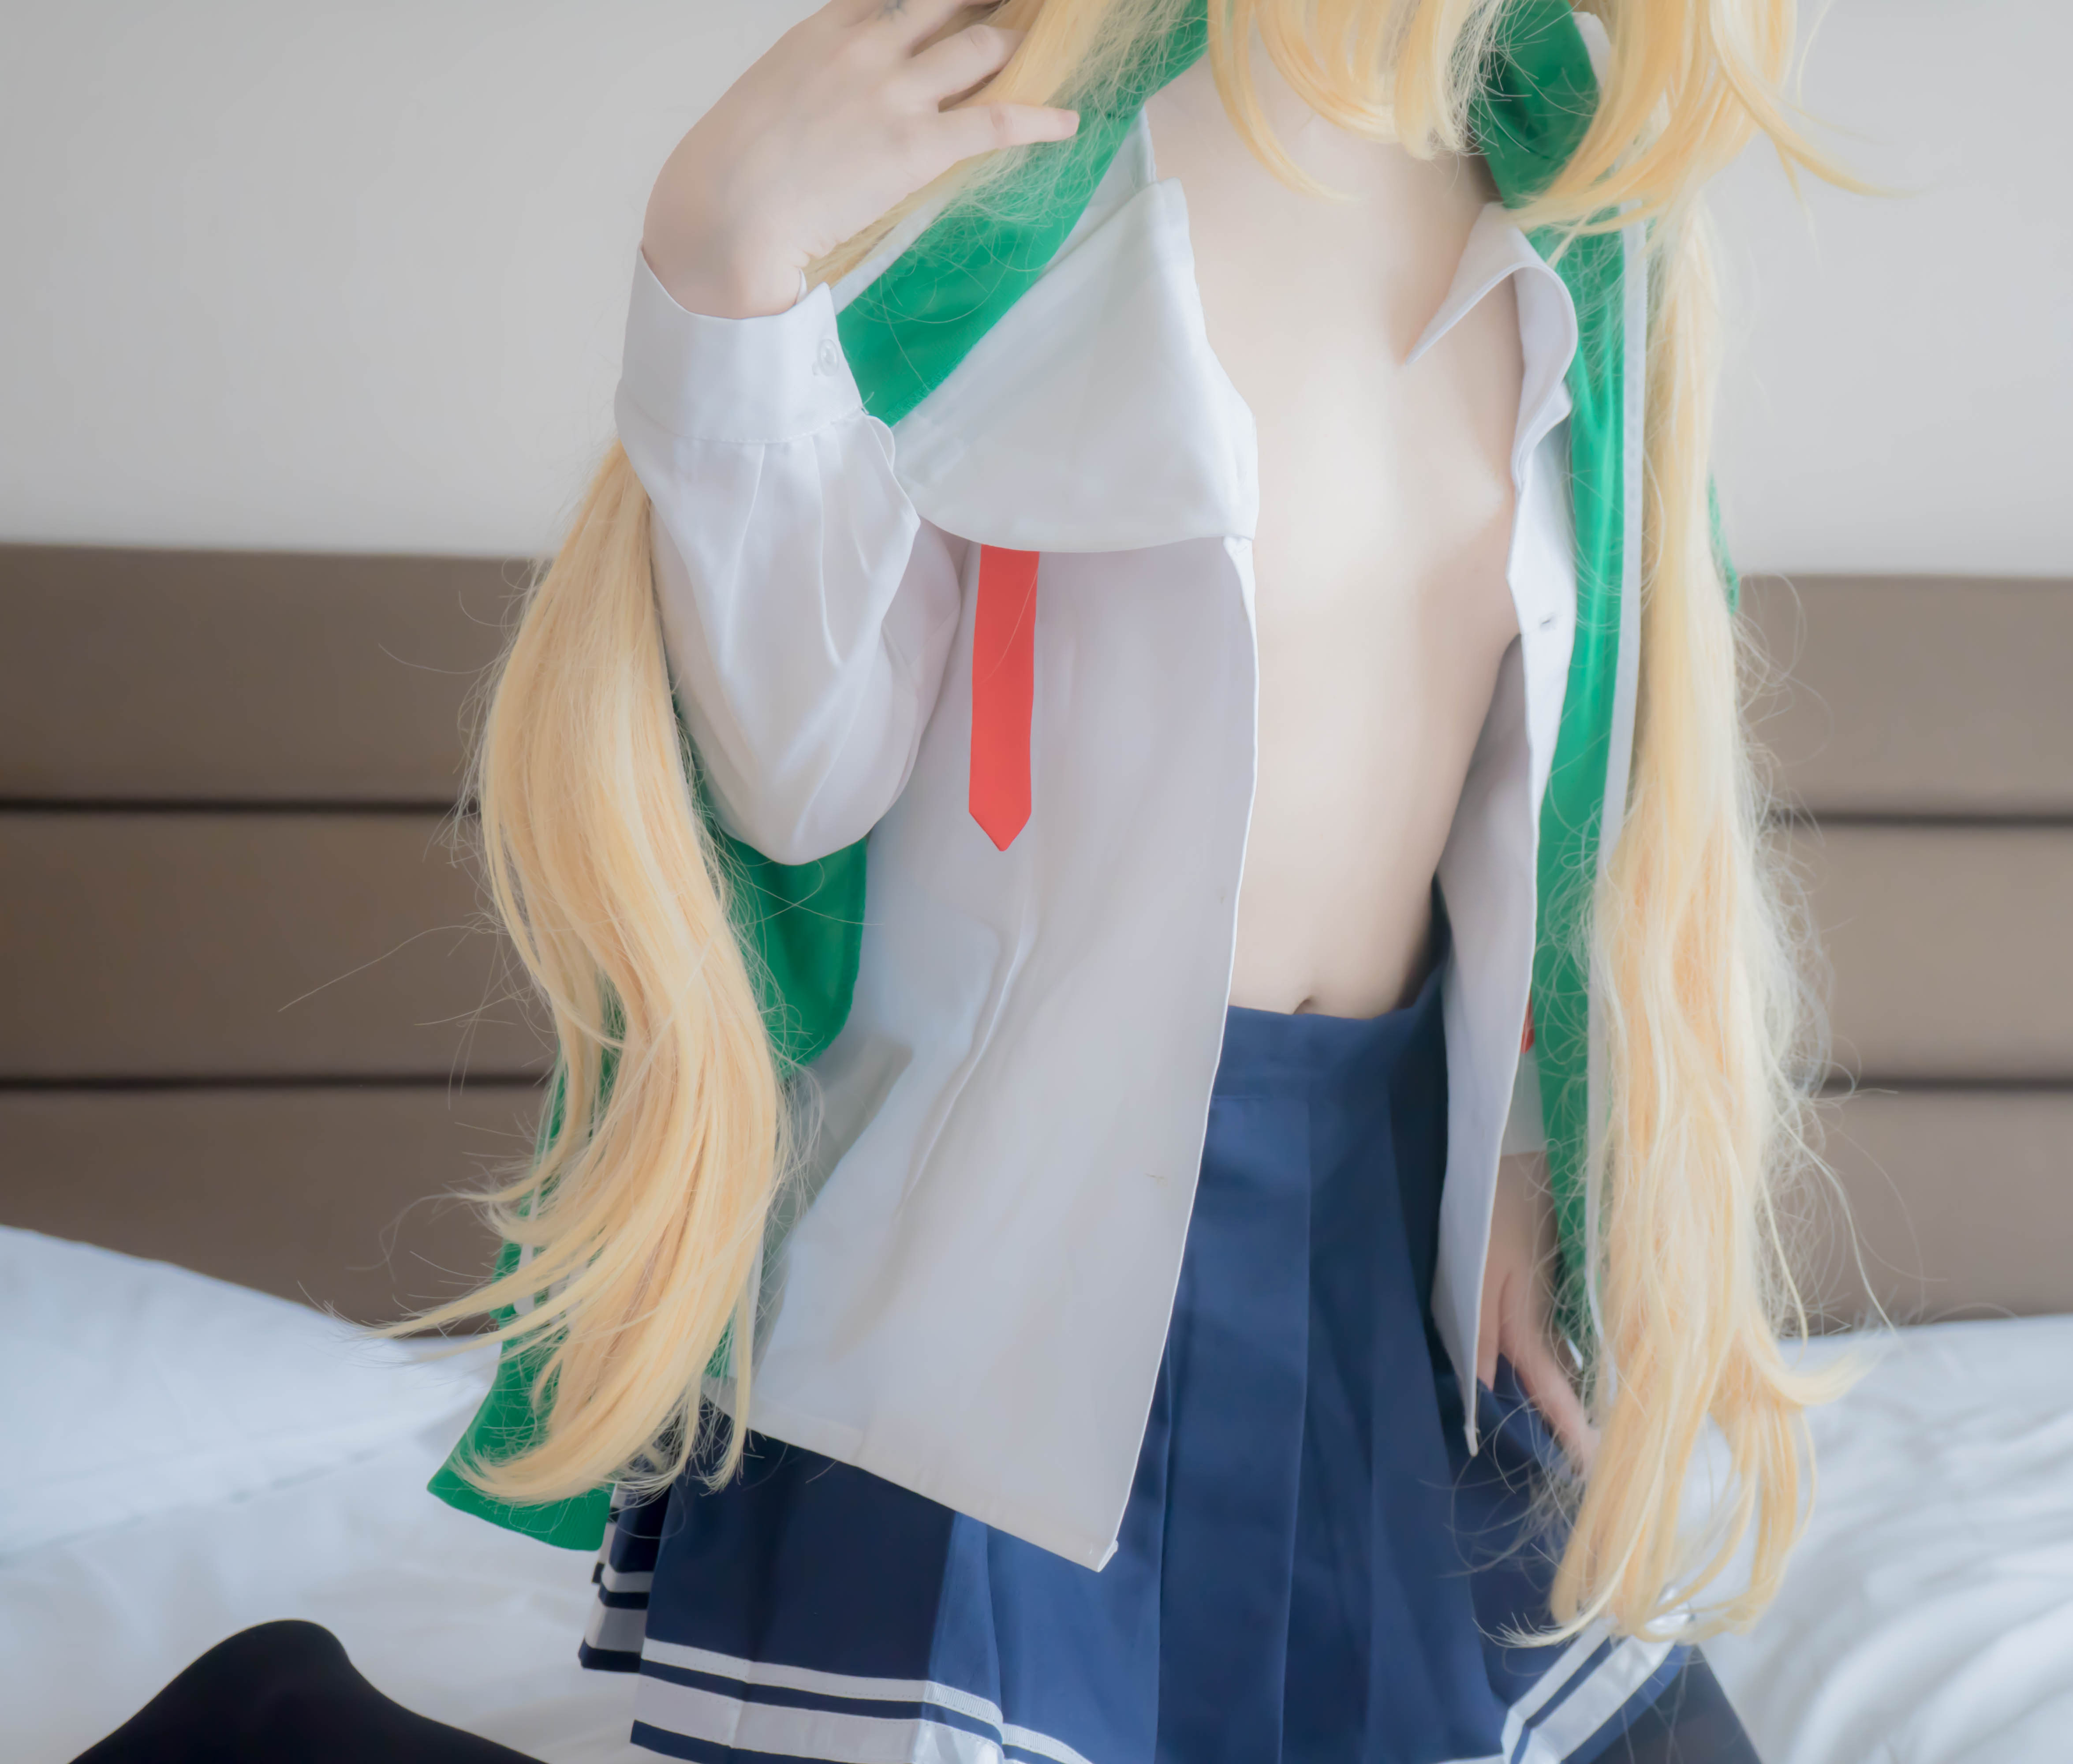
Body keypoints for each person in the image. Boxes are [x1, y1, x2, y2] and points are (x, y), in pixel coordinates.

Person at [371, 1, 1840, 1757]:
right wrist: (723, 268)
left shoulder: (1579, 186)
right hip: (1000, 1248)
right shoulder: (1015, 132)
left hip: (1388, 1234)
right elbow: (799, 777)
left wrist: (1519, 1151)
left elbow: (1563, 773)